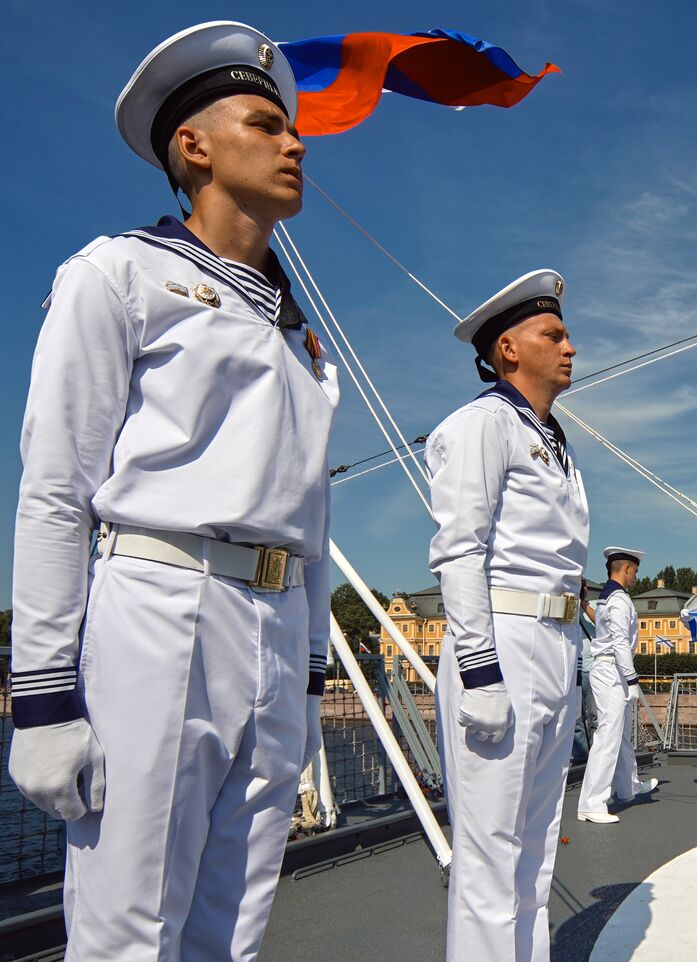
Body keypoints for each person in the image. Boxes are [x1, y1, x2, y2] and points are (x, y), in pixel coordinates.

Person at [4, 22, 336, 958]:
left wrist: (308, 684)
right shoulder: (120, 276)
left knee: (232, 931)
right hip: (160, 608)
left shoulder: (301, 339)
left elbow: (310, 518)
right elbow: (56, 491)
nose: (294, 142)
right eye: (266, 124)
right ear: (193, 146)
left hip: (274, 628)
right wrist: (42, 699)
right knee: (129, 931)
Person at [426, 268, 588, 961]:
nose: (570, 346)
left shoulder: (555, 442)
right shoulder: (480, 427)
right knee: (491, 854)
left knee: (536, 848)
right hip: (504, 642)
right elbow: (459, 552)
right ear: (508, 351)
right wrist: (480, 672)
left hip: (555, 644)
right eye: (553, 334)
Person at [578, 546, 658, 822]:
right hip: (613, 672)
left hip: (608, 669)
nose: (636, 576)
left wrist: (582, 602)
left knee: (621, 734)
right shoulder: (620, 600)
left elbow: (597, 621)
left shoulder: (606, 597)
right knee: (608, 736)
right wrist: (632, 679)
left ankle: (628, 787)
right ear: (625, 569)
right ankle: (591, 802)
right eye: (635, 571)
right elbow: (621, 642)